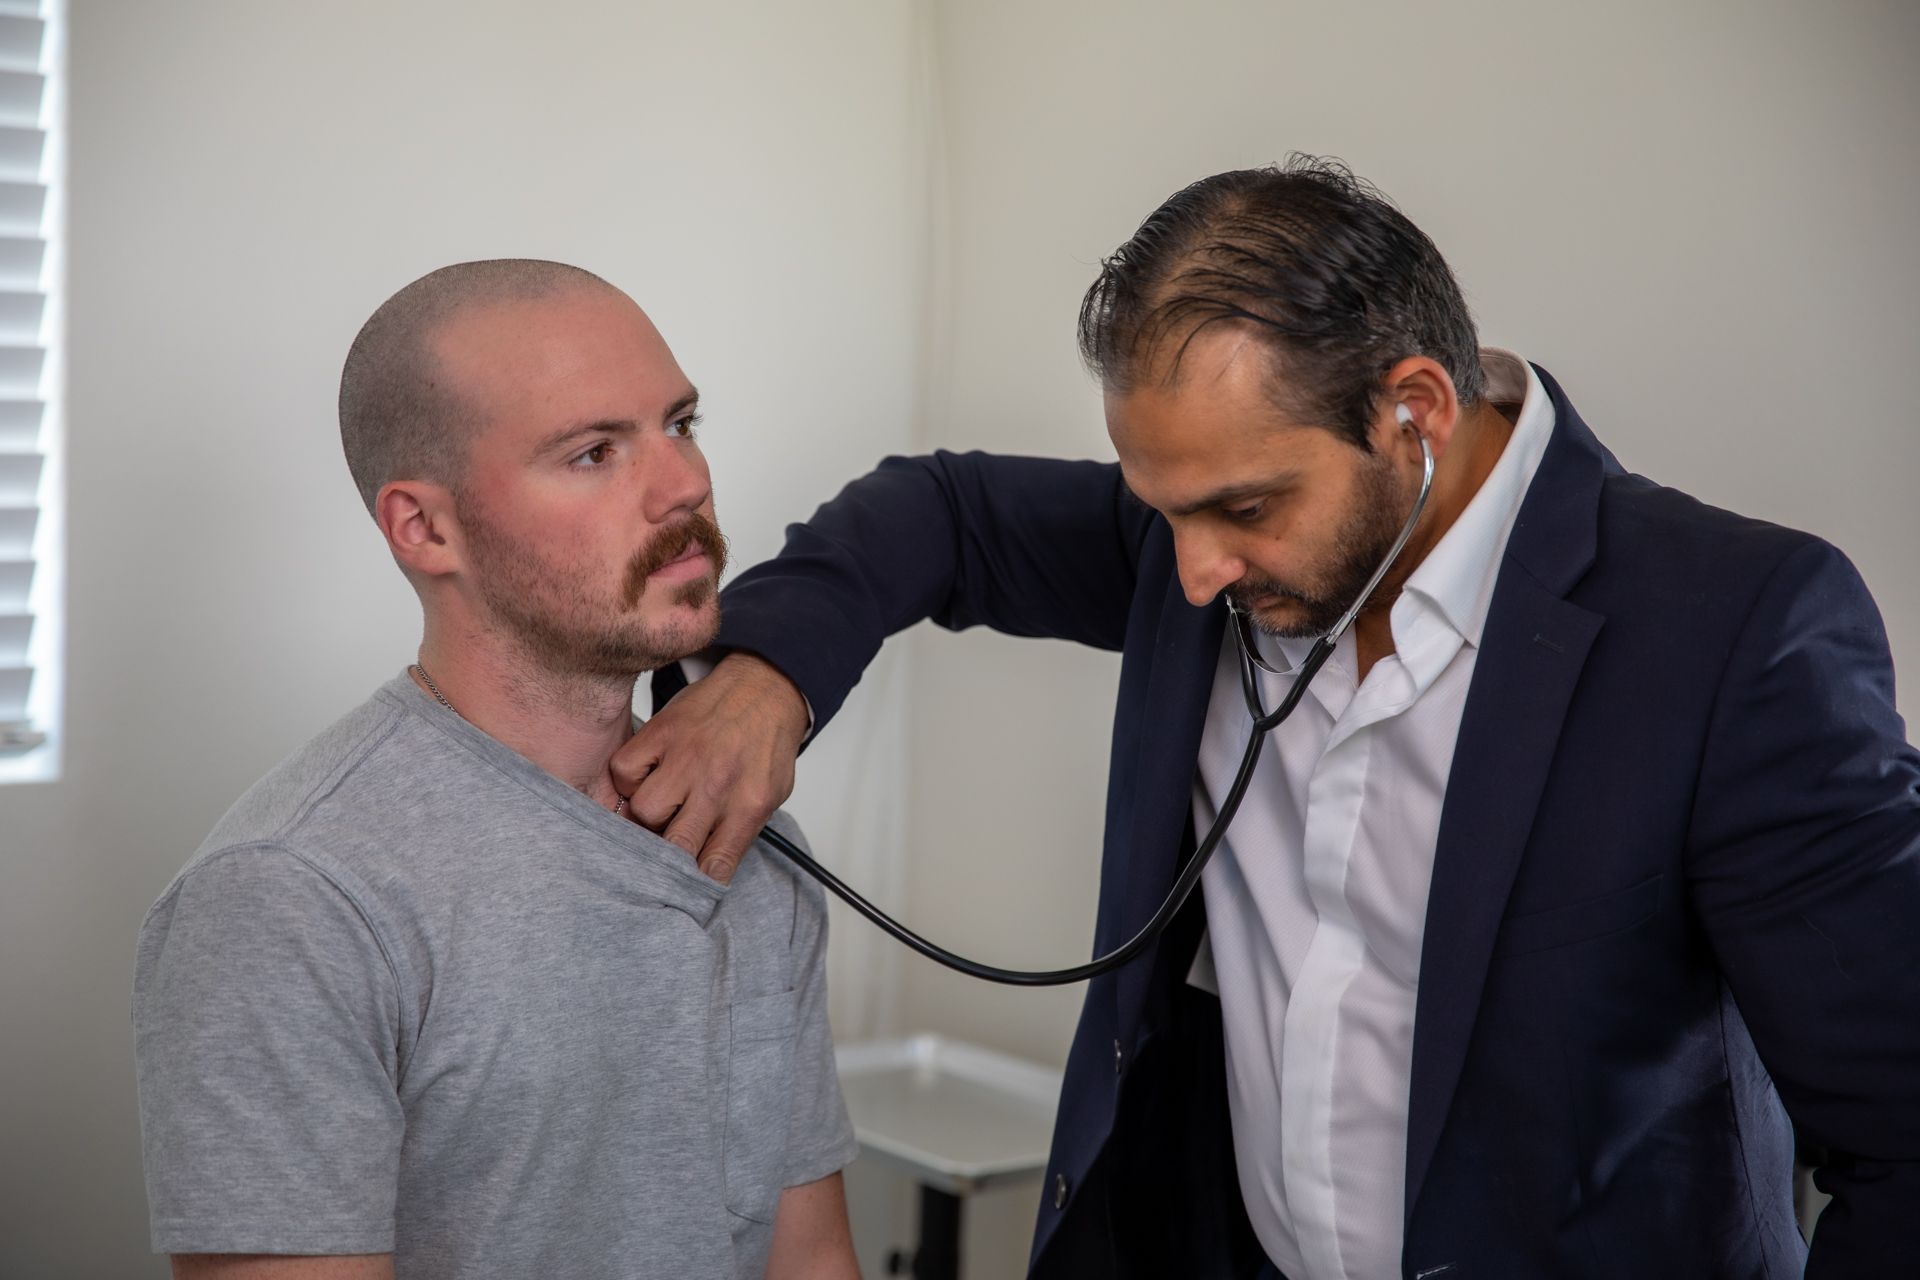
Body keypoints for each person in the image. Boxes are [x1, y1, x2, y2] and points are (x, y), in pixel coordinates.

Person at [617, 159, 1920, 1277]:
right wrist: (768, 677)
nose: (1191, 575)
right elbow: (935, 512)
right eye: (1162, 508)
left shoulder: (1735, 627)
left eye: (1243, 510)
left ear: (1413, 410)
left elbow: (1900, 1138)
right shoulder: (1208, 538)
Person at [131, 261, 860, 1280]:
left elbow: (810, 1258)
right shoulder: (290, 898)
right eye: (595, 451)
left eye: (681, 424)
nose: (683, 482)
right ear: (424, 527)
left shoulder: (746, 830)